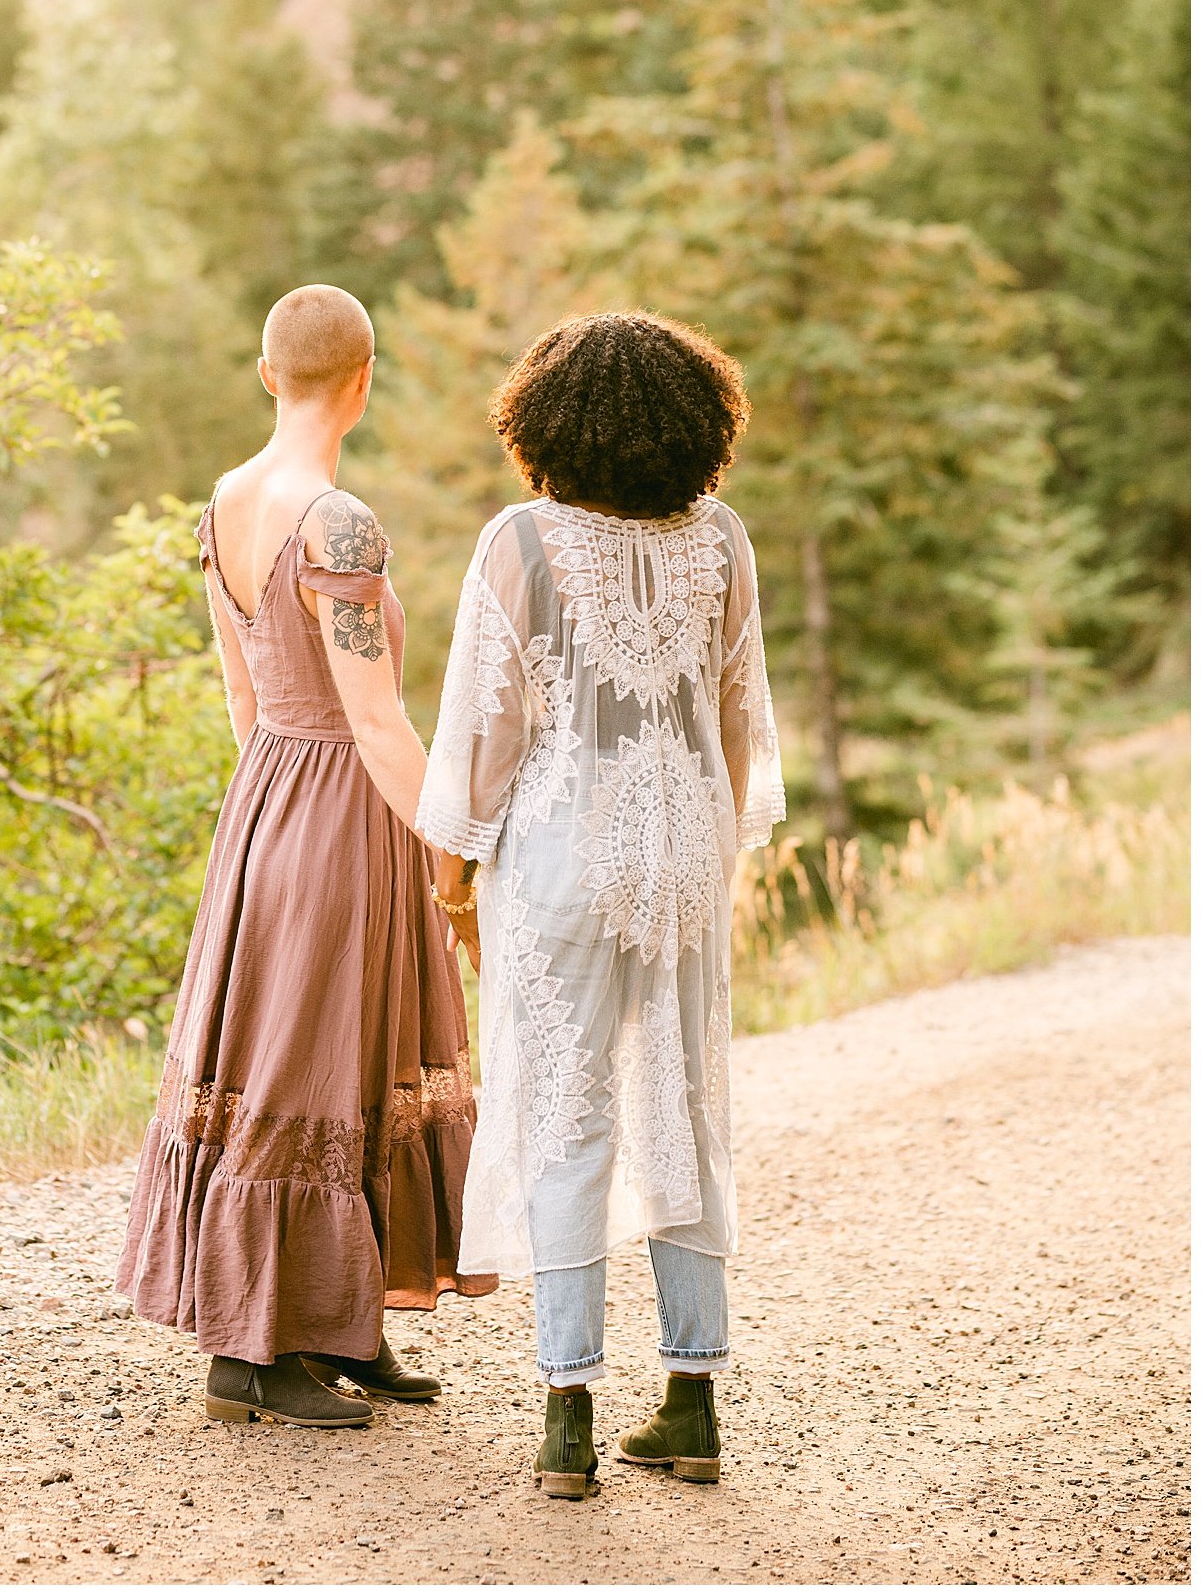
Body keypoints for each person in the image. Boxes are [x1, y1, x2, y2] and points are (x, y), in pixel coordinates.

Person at [416, 312, 786, 1497]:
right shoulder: (721, 540)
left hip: (565, 850)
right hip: (682, 844)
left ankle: (567, 1418)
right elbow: (736, 719)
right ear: (694, 422)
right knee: (683, 1105)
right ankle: (691, 1404)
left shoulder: (518, 543)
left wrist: (455, 866)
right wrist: (719, 848)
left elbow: (489, 727)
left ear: (548, 422)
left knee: (561, 1111)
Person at [116, 284, 493, 1429]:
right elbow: (377, 719)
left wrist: (267, 818)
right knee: (307, 1067)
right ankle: (249, 1356)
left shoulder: (227, 500)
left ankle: (342, 1323)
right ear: (364, 382)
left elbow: (242, 689)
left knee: (350, 1053)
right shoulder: (338, 522)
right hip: (342, 803)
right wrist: (459, 849)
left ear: (266, 372)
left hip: (271, 792)